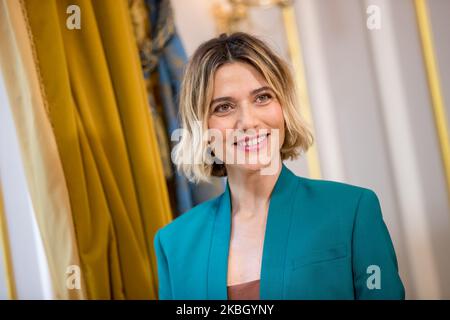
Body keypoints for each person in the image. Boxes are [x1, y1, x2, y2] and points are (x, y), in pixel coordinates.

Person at [153, 32, 405, 300]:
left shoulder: (352, 210)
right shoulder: (174, 243)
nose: (248, 122)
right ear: (201, 126)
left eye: (262, 97)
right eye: (224, 107)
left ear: (283, 107)